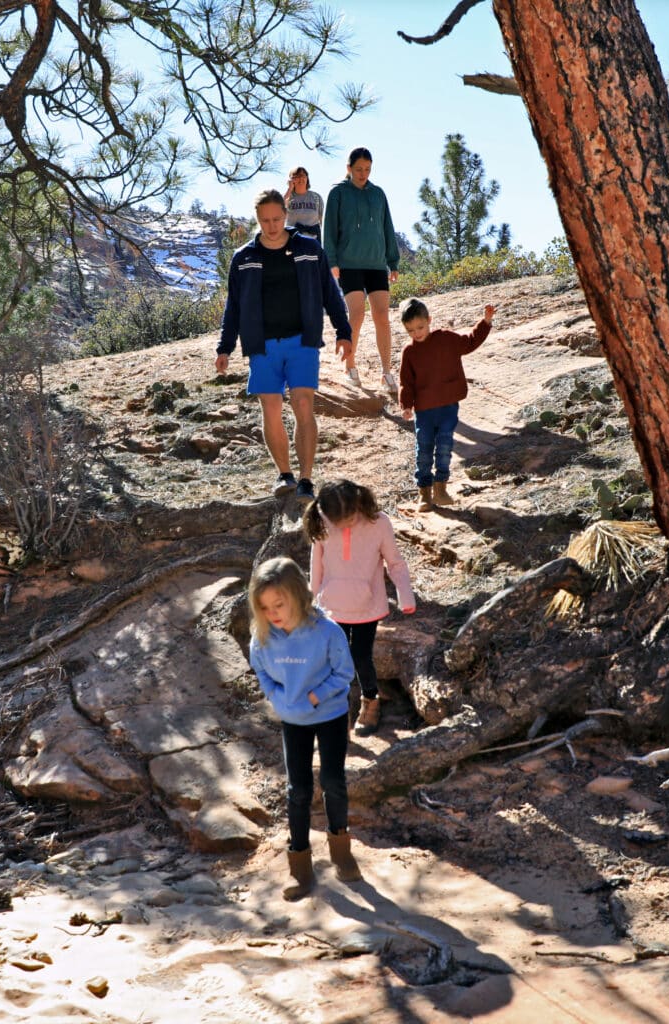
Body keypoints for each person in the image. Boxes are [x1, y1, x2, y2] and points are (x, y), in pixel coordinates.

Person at [215, 188, 352, 505]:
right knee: (271, 408)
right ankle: (284, 474)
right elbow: (233, 307)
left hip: (302, 340)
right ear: (257, 219)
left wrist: (343, 332)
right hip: (261, 346)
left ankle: (306, 479)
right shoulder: (244, 257)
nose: (272, 225)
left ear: (286, 215)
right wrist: (225, 348)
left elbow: (330, 293)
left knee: (303, 403)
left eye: (277, 218)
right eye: (265, 220)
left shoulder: (309, 249)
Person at [248, 556, 362, 901]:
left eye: (279, 604)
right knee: (297, 790)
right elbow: (262, 671)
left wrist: (313, 696)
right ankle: (300, 867)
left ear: (298, 595)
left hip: (328, 715)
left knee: (332, 781)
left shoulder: (328, 631)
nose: (273, 614)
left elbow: (344, 674)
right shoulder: (263, 635)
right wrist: (277, 698)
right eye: (265, 608)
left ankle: (342, 853)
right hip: (292, 720)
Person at [303, 480, 416, 736]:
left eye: (349, 517)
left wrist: (405, 595)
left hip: (367, 605)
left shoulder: (379, 523)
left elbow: (394, 563)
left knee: (361, 656)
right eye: (337, 520)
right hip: (331, 605)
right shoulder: (322, 520)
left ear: (358, 504)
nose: (342, 524)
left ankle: (371, 700)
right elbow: (316, 564)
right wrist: (311, 600)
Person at [399, 298, 497, 512]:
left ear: (429, 321)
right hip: (424, 411)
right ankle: (424, 492)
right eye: (410, 331)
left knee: (444, 447)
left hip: (448, 407)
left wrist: (485, 322)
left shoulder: (445, 339)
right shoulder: (410, 352)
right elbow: (406, 382)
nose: (417, 333)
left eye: (420, 327)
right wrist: (406, 405)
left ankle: (440, 489)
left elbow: (470, 342)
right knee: (423, 450)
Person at [323, 147, 400, 393]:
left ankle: (386, 373)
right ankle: (350, 367)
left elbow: (387, 227)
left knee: (382, 317)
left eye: (367, 169)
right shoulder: (338, 193)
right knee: (356, 314)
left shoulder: (378, 194)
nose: (363, 174)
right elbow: (330, 230)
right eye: (358, 169)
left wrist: (393, 261)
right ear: (348, 168)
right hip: (349, 264)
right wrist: (332, 262)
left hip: (376, 264)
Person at [284, 166, 324, 243]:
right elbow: (279, 210)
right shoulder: (288, 196)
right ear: (291, 180)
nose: (301, 178)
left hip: (314, 241)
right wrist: (289, 189)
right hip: (293, 241)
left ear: (307, 178)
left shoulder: (316, 197)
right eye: (297, 176)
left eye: (303, 175)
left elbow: (322, 221)